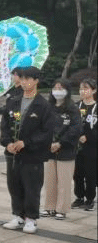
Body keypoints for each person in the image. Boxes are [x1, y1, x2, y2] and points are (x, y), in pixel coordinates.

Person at [0, 67, 57, 234]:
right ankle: (18, 215)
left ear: (36, 81)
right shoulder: (13, 101)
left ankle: (31, 218)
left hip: (33, 155)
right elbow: (5, 125)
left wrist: (27, 142)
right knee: (14, 185)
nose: (24, 82)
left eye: (28, 79)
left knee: (31, 187)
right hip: (13, 154)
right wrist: (7, 143)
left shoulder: (44, 105)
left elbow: (47, 132)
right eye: (22, 79)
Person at [41, 79, 81, 220]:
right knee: (50, 181)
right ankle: (49, 207)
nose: (57, 91)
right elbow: (42, 126)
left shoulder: (72, 108)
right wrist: (48, 142)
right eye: (55, 88)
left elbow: (76, 128)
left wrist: (61, 143)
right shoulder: (48, 107)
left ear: (67, 91)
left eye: (61, 88)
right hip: (49, 149)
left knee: (64, 181)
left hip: (66, 150)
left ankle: (62, 209)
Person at [73, 78, 97, 211]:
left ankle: (90, 199)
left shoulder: (96, 108)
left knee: (90, 174)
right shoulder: (75, 106)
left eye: (86, 88)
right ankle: (79, 197)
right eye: (81, 89)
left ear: (94, 90)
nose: (82, 91)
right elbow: (70, 124)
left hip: (92, 147)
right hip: (76, 147)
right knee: (77, 174)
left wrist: (88, 137)